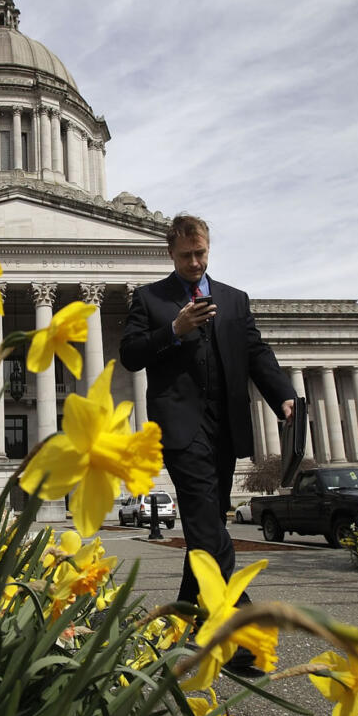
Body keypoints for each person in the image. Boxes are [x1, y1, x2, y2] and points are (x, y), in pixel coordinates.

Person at [119, 214, 294, 677]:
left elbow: (257, 353)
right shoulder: (151, 298)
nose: (195, 262)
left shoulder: (233, 299)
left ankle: (180, 621)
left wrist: (283, 396)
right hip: (181, 429)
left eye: (201, 254)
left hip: (226, 427)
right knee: (205, 525)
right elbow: (130, 354)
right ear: (170, 254)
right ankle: (240, 633)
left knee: (206, 528)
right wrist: (173, 329)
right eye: (186, 256)